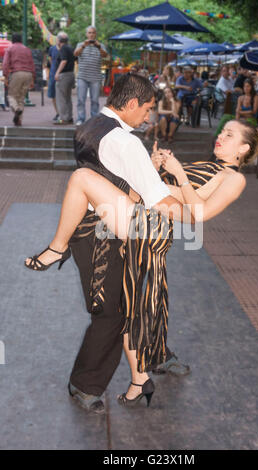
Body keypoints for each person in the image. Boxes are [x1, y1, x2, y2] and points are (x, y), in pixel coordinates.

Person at [24, 105, 258, 409]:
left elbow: (198, 214)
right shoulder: (208, 164)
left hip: (150, 229)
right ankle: (140, 380)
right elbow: (153, 194)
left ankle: (58, 248)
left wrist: (179, 175)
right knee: (134, 307)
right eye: (222, 131)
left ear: (243, 148)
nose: (220, 136)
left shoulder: (234, 178)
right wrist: (151, 168)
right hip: (141, 221)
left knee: (84, 180)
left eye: (229, 135)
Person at [25, 74, 190, 413]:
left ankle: (154, 356)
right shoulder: (126, 142)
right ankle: (83, 384)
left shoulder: (88, 126)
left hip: (102, 229)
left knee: (137, 299)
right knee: (111, 313)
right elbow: (159, 201)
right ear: (131, 104)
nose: (148, 117)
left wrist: (148, 168)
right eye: (146, 110)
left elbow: (114, 180)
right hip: (102, 239)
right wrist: (196, 211)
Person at [74, 26, 108, 126]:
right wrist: (84, 46)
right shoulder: (80, 44)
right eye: (89, 32)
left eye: (93, 32)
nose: (91, 34)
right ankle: (81, 119)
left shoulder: (100, 45)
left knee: (95, 100)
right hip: (82, 76)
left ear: (95, 34)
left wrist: (99, 47)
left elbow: (105, 55)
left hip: (96, 77)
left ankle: (94, 120)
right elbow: (75, 54)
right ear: (86, 34)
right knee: (81, 99)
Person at [2, 32, 35, 126]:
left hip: (17, 73)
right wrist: (33, 78)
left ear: (12, 39)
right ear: (21, 39)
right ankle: (19, 120)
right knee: (21, 98)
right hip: (28, 74)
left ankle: (16, 109)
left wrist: (5, 76)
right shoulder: (27, 49)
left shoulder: (10, 49)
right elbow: (32, 64)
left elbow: (5, 64)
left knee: (11, 96)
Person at [54, 33, 75, 125]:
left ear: (59, 40)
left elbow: (64, 61)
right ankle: (69, 117)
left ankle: (63, 118)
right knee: (67, 97)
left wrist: (57, 73)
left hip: (64, 75)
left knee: (61, 97)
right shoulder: (70, 48)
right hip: (71, 74)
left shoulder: (63, 48)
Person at [47, 37, 60, 122]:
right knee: (53, 95)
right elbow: (51, 60)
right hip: (53, 74)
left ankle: (62, 113)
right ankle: (58, 112)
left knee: (62, 95)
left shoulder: (65, 48)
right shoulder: (52, 49)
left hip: (62, 75)